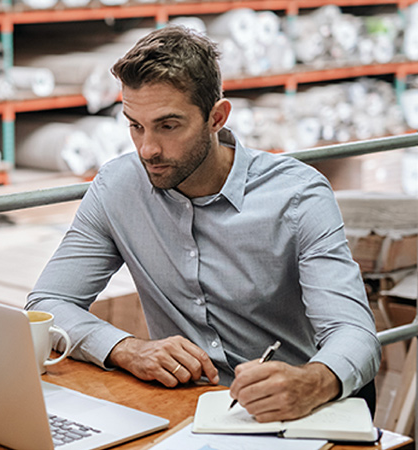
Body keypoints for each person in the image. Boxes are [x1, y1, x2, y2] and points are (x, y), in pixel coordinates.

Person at [25, 25, 381, 423]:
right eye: (135, 125)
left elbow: (354, 333)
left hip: (290, 414)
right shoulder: (117, 187)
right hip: (181, 410)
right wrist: (126, 348)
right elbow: (47, 303)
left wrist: (312, 381)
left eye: (168, 125)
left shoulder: (298, 196)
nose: (147, 149)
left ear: (217, 117)